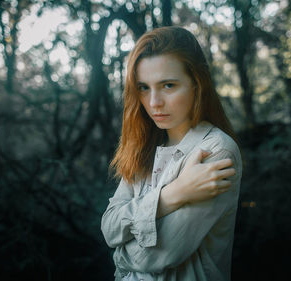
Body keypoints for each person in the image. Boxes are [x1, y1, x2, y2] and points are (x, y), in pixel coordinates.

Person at [101, 26, 242, 281]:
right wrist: (172, 195)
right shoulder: (144, 146)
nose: (154, 102)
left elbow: (154, 256)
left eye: (168, 85)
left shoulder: (216, 152)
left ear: (196, 85)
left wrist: (119, 254)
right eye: (144, 87)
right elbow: (109, 228)